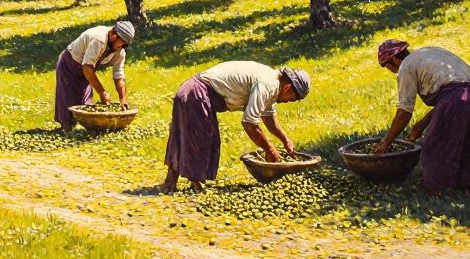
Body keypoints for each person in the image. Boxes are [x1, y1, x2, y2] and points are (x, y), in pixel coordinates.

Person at [161, 61, 311, 191]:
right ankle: (195, 185)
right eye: (290, 99)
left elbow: (269, 117)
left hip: (191, 91)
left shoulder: (272, 83)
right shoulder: (268, 84)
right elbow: (249, 123)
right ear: (288, 88)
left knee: (188, 135)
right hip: (196, 93)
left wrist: (285, 140)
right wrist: (269, 149)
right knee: (201, 139)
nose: (286, 102)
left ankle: (170, 183)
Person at [374, 39, 470, 192]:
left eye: (385, 65)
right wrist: (421, 124)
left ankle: (440, 192)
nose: (386, 69)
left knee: (435, 147)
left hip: (458, 99)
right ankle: (465, 189)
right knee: (468, 144)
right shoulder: (427, 53)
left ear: (394, 59)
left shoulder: (406, 67)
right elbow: (455, 92)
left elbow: (404, 113)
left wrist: (385, 143)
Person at [54, 20, 134, 130]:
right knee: (69, 100)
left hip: (86, 70)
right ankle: (66, 129)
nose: (123, 47)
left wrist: (123, 99)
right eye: (123, 43)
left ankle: (83, 129)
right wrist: (102, 92)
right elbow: (87, 68)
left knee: (85, 102)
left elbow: (119, 75)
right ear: (114, 36)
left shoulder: (119, 51)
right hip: (70, 65)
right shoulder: (99, 39)